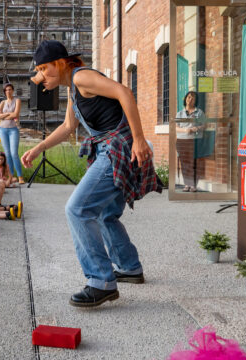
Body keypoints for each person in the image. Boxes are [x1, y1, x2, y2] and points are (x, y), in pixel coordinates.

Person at [21, 40, 162, 307]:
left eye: (43, 69)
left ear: (60, 63)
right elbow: (67, 127)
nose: (40, 77)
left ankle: (101, 281)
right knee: (105, 213)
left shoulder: (82, 77)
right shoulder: (73, 90)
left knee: (77, 210)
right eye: (38, 70)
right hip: (111, 149)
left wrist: (140, 139)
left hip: (116, 150)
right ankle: (129, 267)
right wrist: (38, 148)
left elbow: (124, 92)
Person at [175, 91, 205, 193]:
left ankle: (193, 185)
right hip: (182, 141)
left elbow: (204, 126)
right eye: (188, 97)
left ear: (195, 101)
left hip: (195, 141)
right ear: (185, 99)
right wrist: (185, 130)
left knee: (194, 163)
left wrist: (196, 128)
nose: (190, 99)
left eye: (193, 98)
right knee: (185, 163)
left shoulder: (199, 112)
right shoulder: (179, 113)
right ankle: (187, 184)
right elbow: (175, 128)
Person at [0, 83, 24, 184]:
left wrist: (3, 116)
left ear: (13, 91)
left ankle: (20, 176)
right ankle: (11, 176)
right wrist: (8, 114)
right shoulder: (2, 103)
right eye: (6, 90)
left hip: (13, 129)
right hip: (2, 130)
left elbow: (16, 114)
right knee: (7, 154)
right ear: (4, 92)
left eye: (10, 89)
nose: (8, 91)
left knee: (14, 153)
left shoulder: (17, 101)